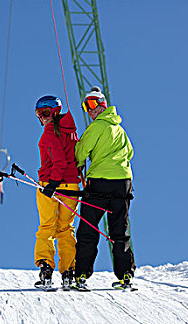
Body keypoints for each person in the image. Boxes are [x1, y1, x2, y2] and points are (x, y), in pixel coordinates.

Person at [73, 86, 136, 290]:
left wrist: (80, 161)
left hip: (99, 182)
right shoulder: (120, 129)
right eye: (86, 106)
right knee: (119, 229)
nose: (89, 110)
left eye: (91, 104)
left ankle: (81, 274)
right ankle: (125, 275)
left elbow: (81, 150)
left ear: (102, 105)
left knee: (89, 228)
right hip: (123, 184)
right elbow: (130, 152)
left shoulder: (97, 126)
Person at [33, 95, 81, 289]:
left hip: (50, 184)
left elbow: (59, 161)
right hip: (70, 187)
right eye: (39, 114)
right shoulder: (72, 132)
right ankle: (68, 271)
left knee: (47, 226)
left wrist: (52, 182)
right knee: (65, 228)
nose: (42, 118)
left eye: (45, 113)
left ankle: (46, 268)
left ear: (55, 111)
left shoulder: (50, 133)